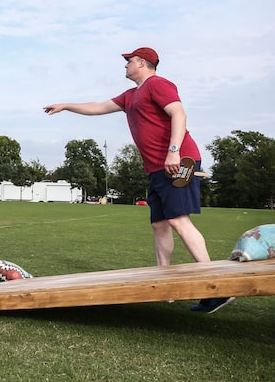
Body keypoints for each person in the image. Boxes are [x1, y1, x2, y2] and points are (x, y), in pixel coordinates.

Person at [44, 46, 233, 314]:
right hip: (157, 168)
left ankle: (218, 287)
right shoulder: (131, 95)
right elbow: (98, 107)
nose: (125, 65)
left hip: (178, 160)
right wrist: (66, 105)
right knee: (159, 224)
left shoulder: (158, 84)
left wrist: (174, 151)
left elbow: (179, 114)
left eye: (128, 61)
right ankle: (163, 285)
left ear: (142, 63)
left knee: (179, 220)